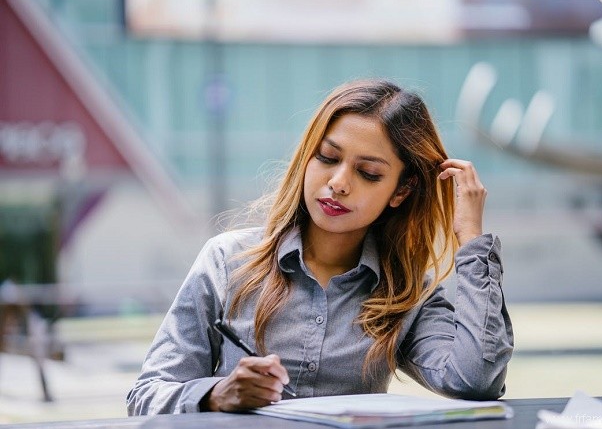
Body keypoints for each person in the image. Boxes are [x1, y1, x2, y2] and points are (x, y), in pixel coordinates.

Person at [126, 79, 514, 415]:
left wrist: (471, 240)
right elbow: (146, 395)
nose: (339, 182)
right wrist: (217, 394)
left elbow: (475, 380)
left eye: (369, 173)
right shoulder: (227, 262)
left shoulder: (407, 294)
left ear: (401, 190)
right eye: (327, 157)